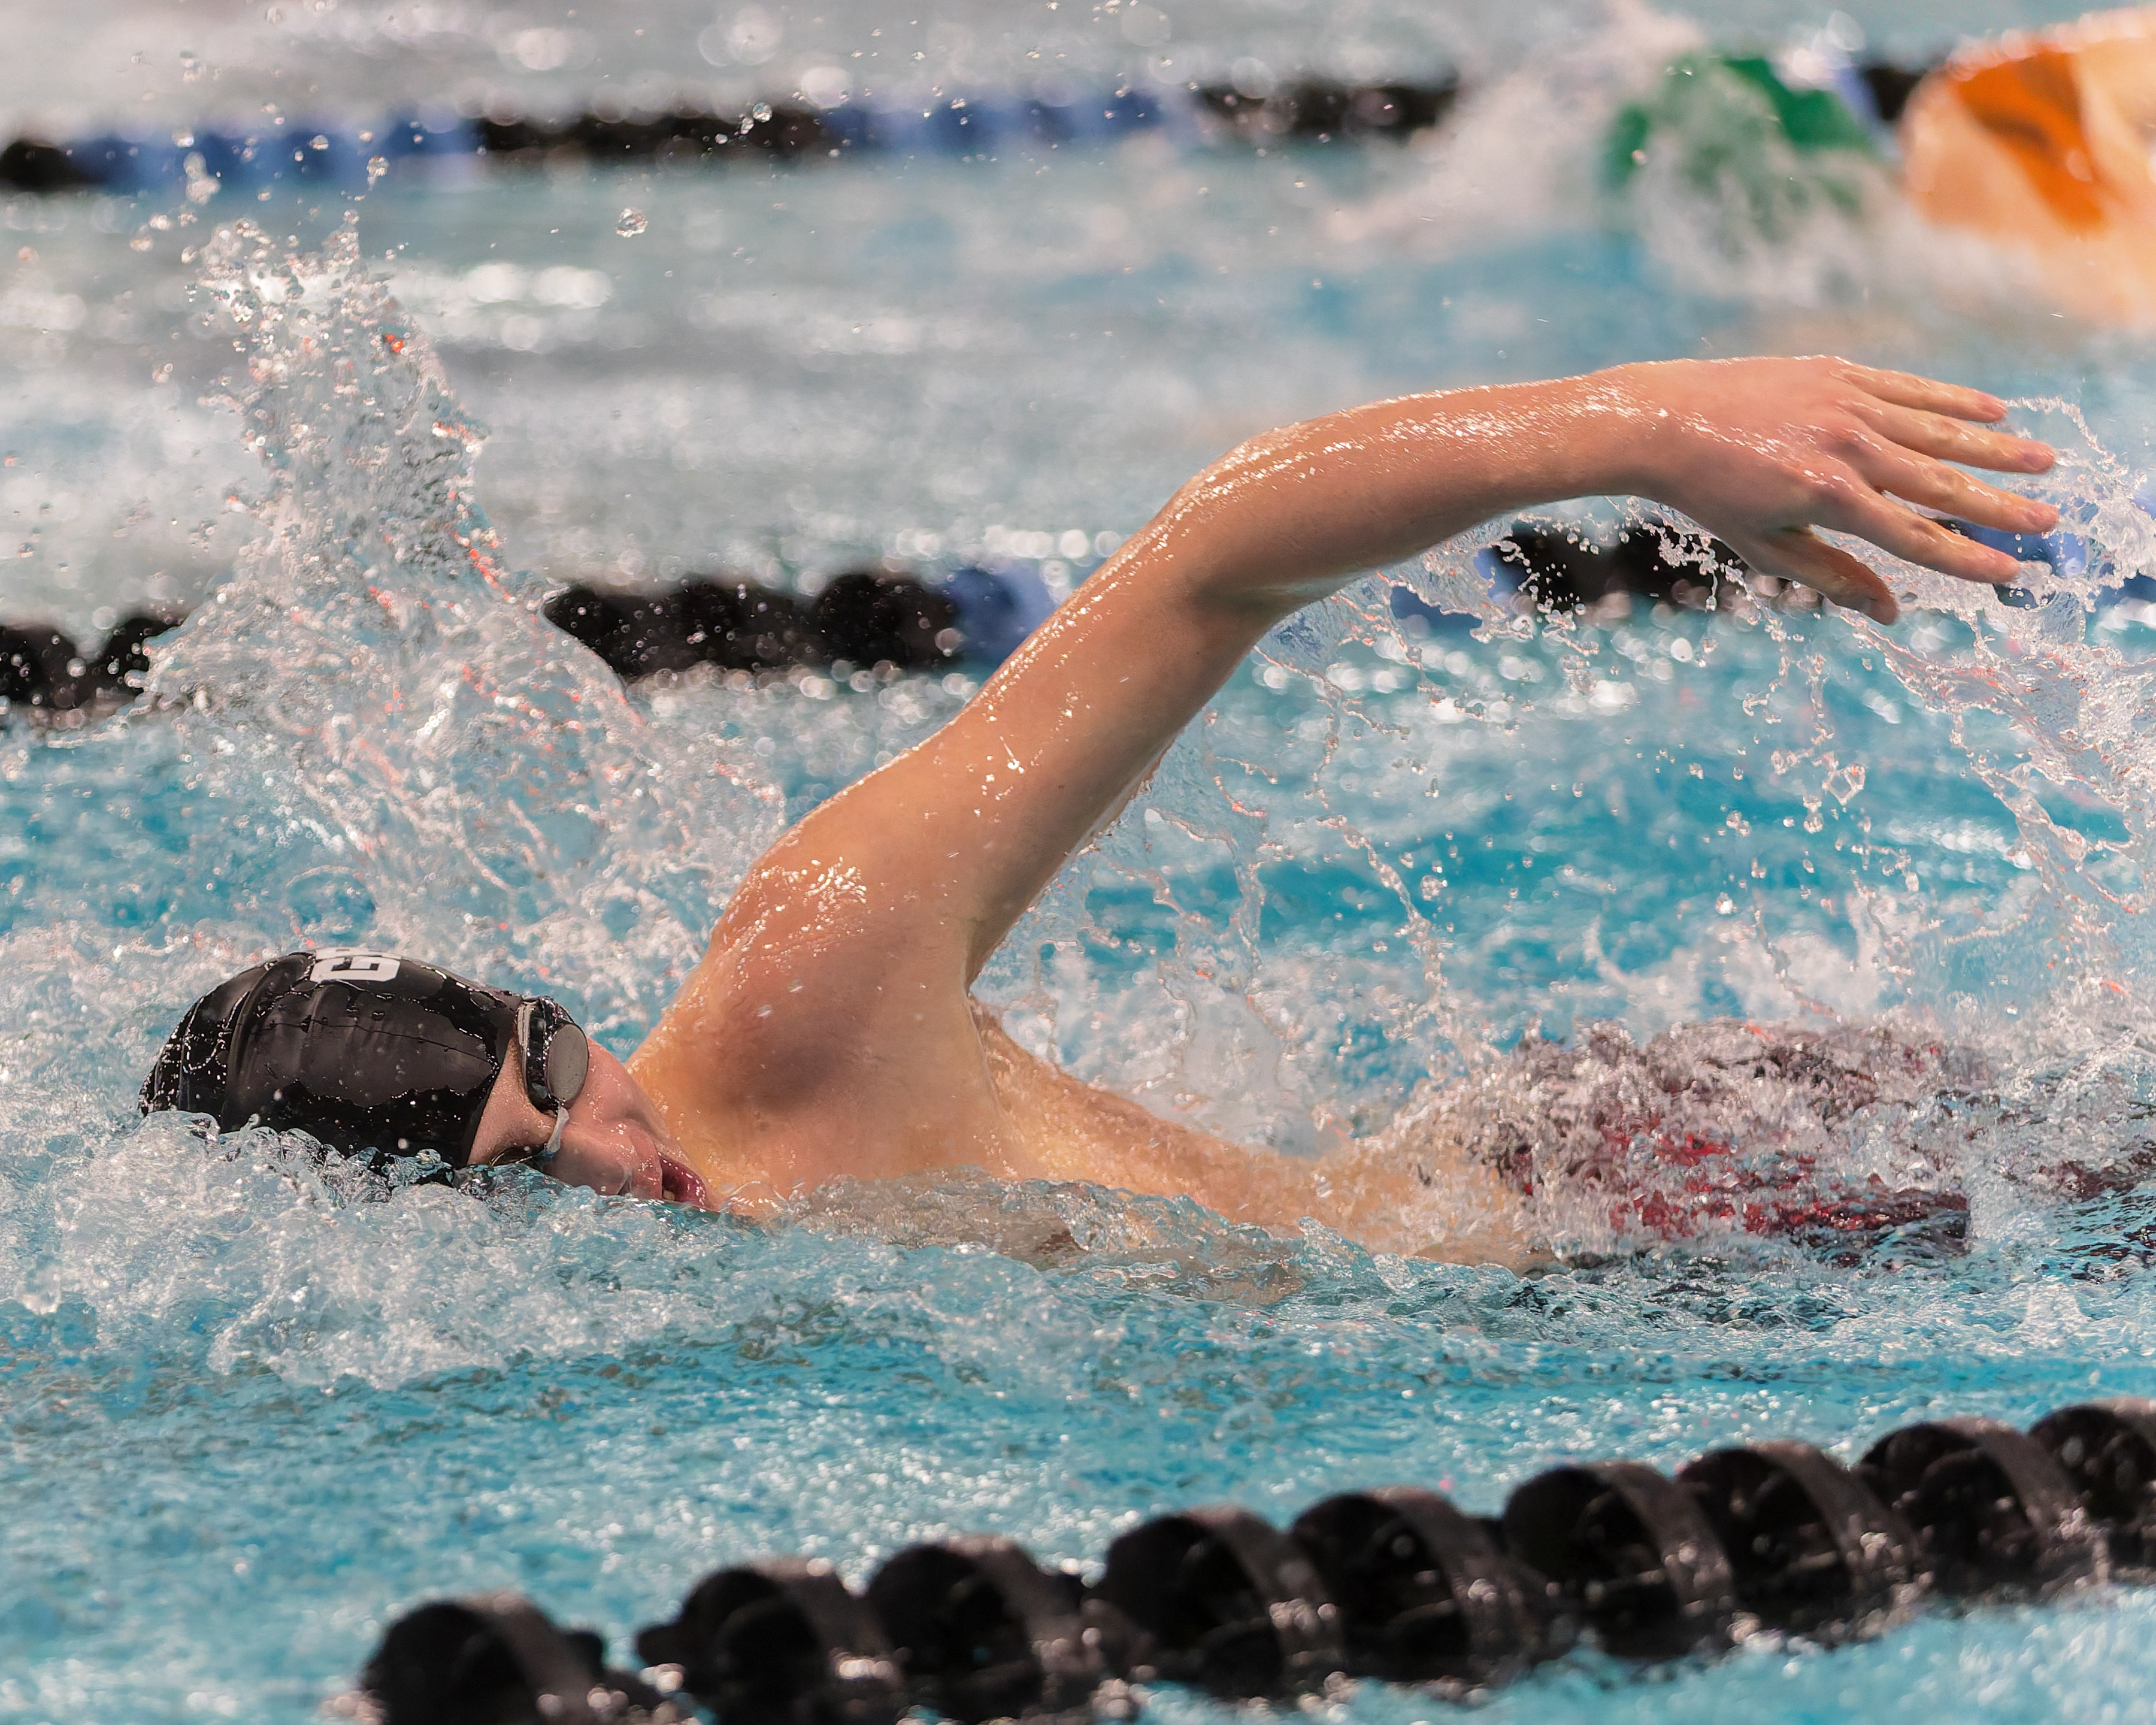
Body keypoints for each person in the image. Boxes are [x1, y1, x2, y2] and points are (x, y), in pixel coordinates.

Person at [143, 355, 2058, 1265]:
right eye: (520, 1171)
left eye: (559, 1068)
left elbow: (1214, 562)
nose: (614, 1159)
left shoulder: (811, 996)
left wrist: (1642, 431)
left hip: (1638, 1201)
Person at [1900, 7, 2156, 325]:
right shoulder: (2136, 55)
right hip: (1980, 116)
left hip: (1959, 112)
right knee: (2128, 294)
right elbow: (2097, 103)